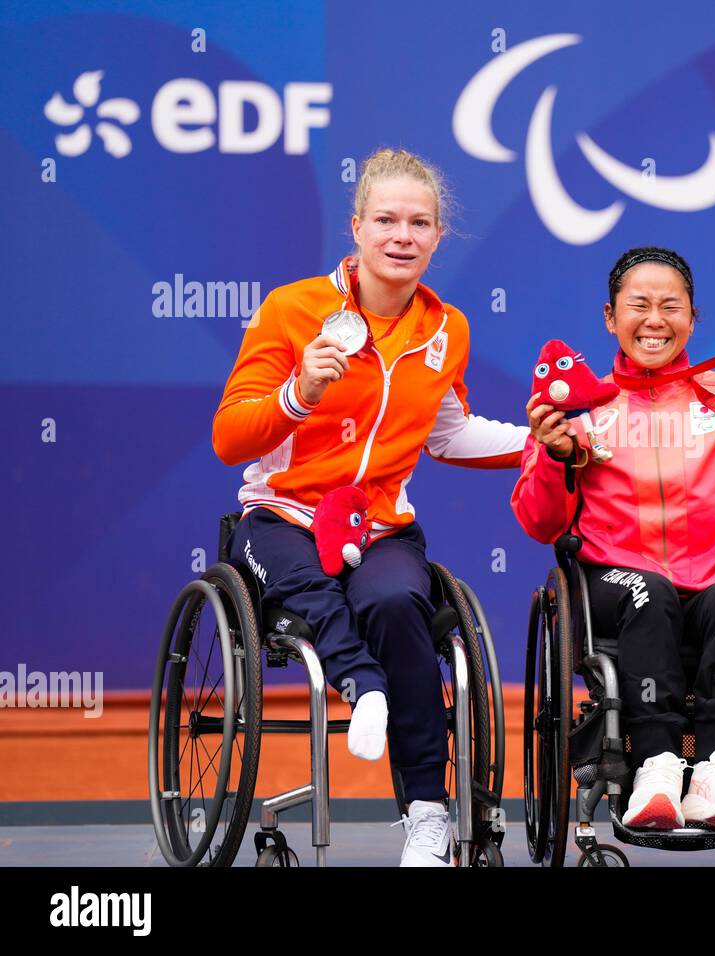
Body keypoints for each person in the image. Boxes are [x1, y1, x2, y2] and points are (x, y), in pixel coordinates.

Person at [212, 148, 528, 866]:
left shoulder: (446, 329)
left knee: (397, 603)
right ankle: (362, 683)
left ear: (438, 237)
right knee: (306, 581)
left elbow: (450, 435)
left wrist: (537, 442)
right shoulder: (294, 310)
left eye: (419, 223)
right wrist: (300, 393)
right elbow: (230, 437)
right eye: (385, 219)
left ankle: (425, 813)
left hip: (379, 522)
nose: (402, 235)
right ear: (356, 227)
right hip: (283, 513)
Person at [511, 247, 715, 831]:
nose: (654, 319)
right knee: (649, 592)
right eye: (638, 305)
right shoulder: (581, 406)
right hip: (613, 585)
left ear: (693, 318)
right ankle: (656, 766)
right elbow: (541, 523)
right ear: (609, 317)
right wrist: (555, 455)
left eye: (671, 306)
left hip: (712, 580)